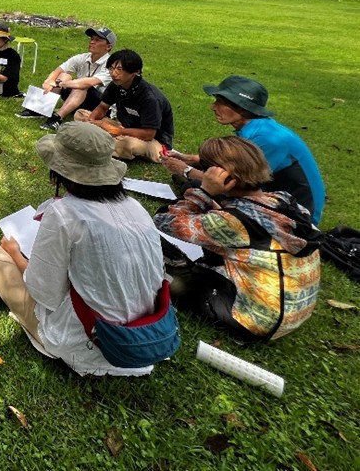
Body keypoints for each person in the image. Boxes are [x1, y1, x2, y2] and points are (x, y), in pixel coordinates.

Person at [0, 122, 166, 376]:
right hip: (144, 337)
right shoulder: (136, 208)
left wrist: (15, 253)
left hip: (87, 344)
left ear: (58, 171)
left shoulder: (64, 214)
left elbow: (44, 292)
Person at [154, 136, 320, 341]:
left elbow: (163, 221)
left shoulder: (232, 222)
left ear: (221, 176)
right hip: (290, 312)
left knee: (156, 244)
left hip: (251, 321)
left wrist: (203, 191)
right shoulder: (283, 200)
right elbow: (250, 220)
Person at [162, 76, 326, 224]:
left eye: (220, 102)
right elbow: (235, 161)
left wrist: (186, 170)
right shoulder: (260, 128)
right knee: (196, 184)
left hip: (297, 216)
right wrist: (188, 158)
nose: (213, 107)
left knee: (195, 187)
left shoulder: (268, 139)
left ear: (242, 108)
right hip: (275, 197)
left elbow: (231, 184)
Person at [75, 49, 174, 162]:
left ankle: (98, 142)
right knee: (81, 114)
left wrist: (115, 131)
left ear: (135, 72)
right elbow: (103, 107)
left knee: (127, 144)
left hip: (154, 142)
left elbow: (149, 134)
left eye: (119, 69)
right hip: (124, 129)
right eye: (111, 68)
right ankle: (102, 140)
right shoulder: (116, 85)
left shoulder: (150, 98)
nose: (113, 73)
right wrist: (91, 122)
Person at [21, 27, 115, 127]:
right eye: (91, 39)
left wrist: (58, 83)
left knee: (81, 86)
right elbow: (59, 70)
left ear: (108, 47)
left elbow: (88, 83)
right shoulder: (83, 57)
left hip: (101, 107)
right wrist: (49, 80)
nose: (92, 42)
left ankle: (57, 118)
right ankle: (40, 108)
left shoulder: (112, 65)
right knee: (64, 75)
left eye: (97, 40)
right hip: (80, 97)